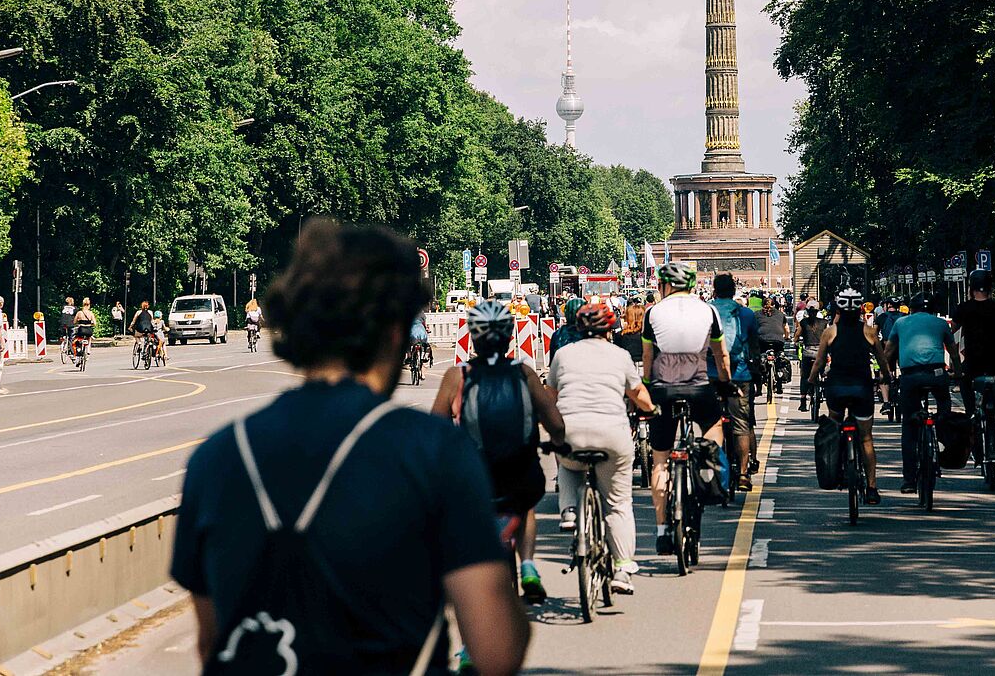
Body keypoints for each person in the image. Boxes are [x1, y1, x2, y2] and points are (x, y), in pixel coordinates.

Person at [171, 219, 529, 675]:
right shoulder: (433, 452)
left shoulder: (216, 457)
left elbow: (210, 644)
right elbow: (497, 651)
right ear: (397, 332)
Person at [432, 300, 565, 607]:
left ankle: (468, 641)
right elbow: (555, 423)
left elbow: (434, 429)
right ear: (510, 336)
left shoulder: (458, 376)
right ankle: (529, 564)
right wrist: (558, 443)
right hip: (521, 471)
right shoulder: (524, 373)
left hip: (473, 474)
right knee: (526, 504)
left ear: (473, 338)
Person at [546, 302, 654, 595]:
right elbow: (638, 395)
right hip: (613, 435)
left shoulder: (564, 354)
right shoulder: (619, 356)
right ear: (610, 328)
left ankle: (569, 511)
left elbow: (550, 395)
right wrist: (652, 408)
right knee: (618, 504)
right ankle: (621, 568)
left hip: (572, 432)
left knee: (567, 463)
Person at [642, 261, 731, 556]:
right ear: (691, 285)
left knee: (660, 462)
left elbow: (647, 357)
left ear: (665, 286)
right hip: (699, 387)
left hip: (662, 389)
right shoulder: (709, 310)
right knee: (715, 424)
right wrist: (726, 382)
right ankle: (705, 464)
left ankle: (662, 529)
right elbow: (721, 354)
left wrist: (645, 387)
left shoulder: (652, 312)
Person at [809, 289, 883, 504]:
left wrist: (811, 381)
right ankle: (871, 487)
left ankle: (837, 466)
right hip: (862, 388)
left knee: (834, 427)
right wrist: (886, 377)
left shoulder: (830, 332)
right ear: (861, 309)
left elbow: (820, 362)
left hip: (837, 388)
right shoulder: (869, 332)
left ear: (839, 309)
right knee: (866, 438)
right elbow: (882, 360)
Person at [883, 294, 960, 493]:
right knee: (944, 406)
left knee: (909, 426)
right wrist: (958, 373)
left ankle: (909, 480)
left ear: (911, 308)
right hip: (937, 373)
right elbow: (953, 351)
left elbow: (889, 350)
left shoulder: (900, 323)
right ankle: (943, 438)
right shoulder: (941, 323)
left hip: (911, 377)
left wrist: (885, 375)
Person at [952, 269, 995, 470]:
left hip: (972, 365)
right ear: (990, 288)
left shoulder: (963, 309)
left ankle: (975, 441)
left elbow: (951, 329)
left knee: (968, 397)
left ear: (970, 288)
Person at [709, 273, 762, 491]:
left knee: (710, 422)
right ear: (734, 290)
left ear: (714, 290)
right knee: (741, 424)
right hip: (739, 374)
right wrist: (757, 371)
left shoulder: (706, 311)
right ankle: (742, 474)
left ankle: (710, 471)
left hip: (711, 374)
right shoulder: (746, 314)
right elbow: (755, 346)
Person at [794, 300, 827, 411]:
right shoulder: (824, 322)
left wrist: (795, 341)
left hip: (808, 353)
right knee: (824, 373)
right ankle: (824, 390)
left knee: (804, 376)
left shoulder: (803, 322)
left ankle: (803, 402)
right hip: (821, 353)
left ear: (807, 310)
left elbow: (797, 335)